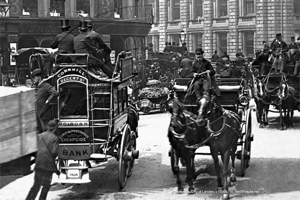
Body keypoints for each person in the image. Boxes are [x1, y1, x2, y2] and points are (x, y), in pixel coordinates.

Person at [25, 120, 59, 200]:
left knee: (36, 186)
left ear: (47, 127)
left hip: (39, 164)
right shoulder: (55, 138)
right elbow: (54, 153)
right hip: (48, 166)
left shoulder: (39, 136)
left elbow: (33, 149)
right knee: (45, 186)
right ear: (55, 128)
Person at [32, 69, 58, 133]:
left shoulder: (46, 85)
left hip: (44, 114)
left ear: (39, 77)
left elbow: (55, 93)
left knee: (46, 132)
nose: (33, 79)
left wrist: (47, 101)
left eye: (34, 77)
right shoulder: (36, 86)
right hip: (38, 114)